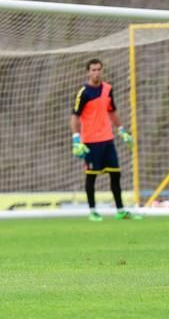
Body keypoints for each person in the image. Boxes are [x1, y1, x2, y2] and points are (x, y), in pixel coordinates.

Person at [71, 59, 138, 222]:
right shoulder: (83, 92)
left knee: (116, 174)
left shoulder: (108, 89)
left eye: (98, 69)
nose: (96, 72)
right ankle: (93, 211)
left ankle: (120, 210)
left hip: (108, 139)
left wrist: (122, 130)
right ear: (88, 72)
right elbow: (75, 116)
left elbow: (112, 111)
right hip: (90, 141)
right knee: (91, 176)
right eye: (93, 70)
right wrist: (76, 138)